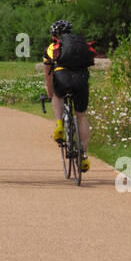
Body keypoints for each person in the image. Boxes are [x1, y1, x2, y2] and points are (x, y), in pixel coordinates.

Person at [43, 19, 98, 173]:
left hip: (62, 76)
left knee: (57, 96)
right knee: (81, 116)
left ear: (55, 34)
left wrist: (50, 94)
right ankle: (84, 156)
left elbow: (48, 76)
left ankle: (59, 125)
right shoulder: (80, 45)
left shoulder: (53, 46)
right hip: (81, 79)